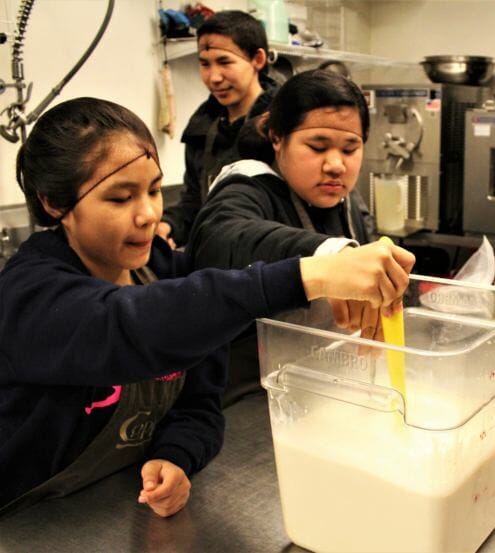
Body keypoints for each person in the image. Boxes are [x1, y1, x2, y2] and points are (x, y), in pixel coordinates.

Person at [0, 97, 414, 518]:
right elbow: (131, 325)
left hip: (107, 514)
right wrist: (311, 274)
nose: (148, 215)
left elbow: (199, 406)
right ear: (55, 203)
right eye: (120, 198)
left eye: (155, 190)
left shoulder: (166, 274)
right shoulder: (29, 294)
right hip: (24, 522)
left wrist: (176, 454)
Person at [187, 69, 377, 403]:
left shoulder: (346, 200)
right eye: (317, 147)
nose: (336, 165)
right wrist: (330, 256)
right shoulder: (246, 187)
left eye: (350, 149)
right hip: (244, 398)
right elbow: (220, 237)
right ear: (277, 138)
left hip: (320, 383)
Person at [157, 10, 280, 248]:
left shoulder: (283, 124)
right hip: (218, 260)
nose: (213, 77)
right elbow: (195, 204)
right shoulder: (201, 129)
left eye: (225, 62)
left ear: (258, 59)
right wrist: (168, 225)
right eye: (204, 64)